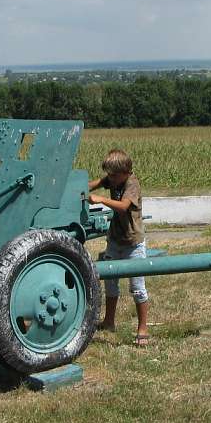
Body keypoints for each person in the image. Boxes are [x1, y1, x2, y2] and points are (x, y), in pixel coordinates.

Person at [88, 148, 150, 346]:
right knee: (110, 283)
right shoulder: (114, 178)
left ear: (125, 171)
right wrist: (77, 188)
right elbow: (94, 184)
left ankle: (142, 329)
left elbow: (123, 206)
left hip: (133, 243)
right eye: (109, 175)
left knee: (137, 287)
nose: (110, 179)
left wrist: (101, 199)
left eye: (113, 175)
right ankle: (109, 322)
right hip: (115, 240)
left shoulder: (132, 184)